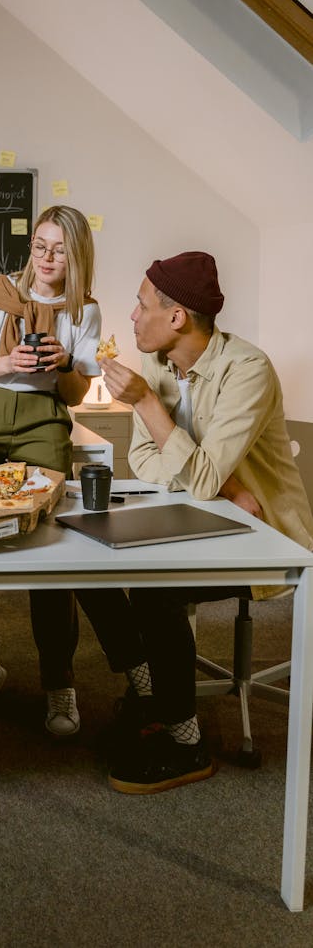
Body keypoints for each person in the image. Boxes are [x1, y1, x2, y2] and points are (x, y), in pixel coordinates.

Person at [99, 250, 313, 793]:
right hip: (207, 513)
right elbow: (143, 460)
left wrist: (148, 404)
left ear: (177, 318)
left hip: (266, 537)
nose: (131, 316)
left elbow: (187, 470)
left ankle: (186, 741)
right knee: (90, 567)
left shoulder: (248, 369)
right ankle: (148, 688)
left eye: (140, 304)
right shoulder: (157, 358)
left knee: (156, 592)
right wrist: (228, 484)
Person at [0, 205, 100, 736]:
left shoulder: (84, 310)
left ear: (76, 255)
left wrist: (65, 365)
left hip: (42, 420)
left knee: (49, 543)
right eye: (40, 244)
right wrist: (9, 363)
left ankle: (60, 683)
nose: (48, 257)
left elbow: (76, 395)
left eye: (60, 248)